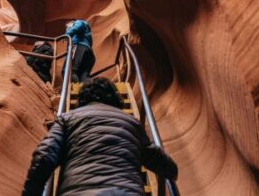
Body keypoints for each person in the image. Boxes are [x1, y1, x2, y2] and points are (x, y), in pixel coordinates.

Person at [22, 77, 178, 195]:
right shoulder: (131, 123)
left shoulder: (68, 118)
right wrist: (172, 170)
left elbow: (45, 156)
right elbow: (155, 157)